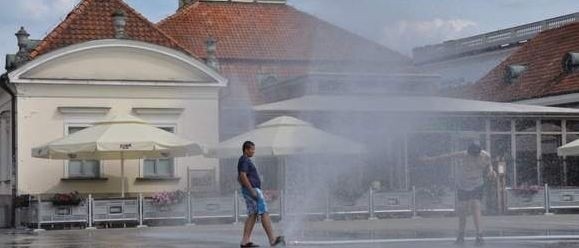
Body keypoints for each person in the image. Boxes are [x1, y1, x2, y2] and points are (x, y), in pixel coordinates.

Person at [421, 142, 496, 246]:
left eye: (475, 155)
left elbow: (489, 165)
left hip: (477, 183)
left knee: (476, 206)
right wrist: (431, 159)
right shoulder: (464, 154)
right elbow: (448, 156)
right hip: (463, 184)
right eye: (471, 155)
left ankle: (479, 235)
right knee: (462, 209)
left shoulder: (485, 156)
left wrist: (491, 171)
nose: (473, 157)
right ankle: (461, 235)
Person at [238, 141, 285, 247]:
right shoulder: (245, 160)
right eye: (251, 149)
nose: (253, 151)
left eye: (254, 149)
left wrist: (247, 188)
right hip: (252, 190)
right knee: (264, 213)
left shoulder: (243, 160)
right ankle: (272, 240)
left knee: (253, 214)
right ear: (246, 149)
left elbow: (240, 177)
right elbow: (242, 176)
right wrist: (252, 190)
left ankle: (245, 242)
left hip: (250, 189)